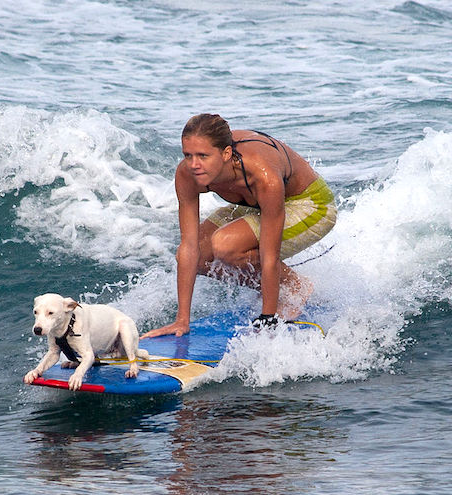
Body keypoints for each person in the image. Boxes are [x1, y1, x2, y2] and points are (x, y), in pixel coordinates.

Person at [141, 114, 336, 339]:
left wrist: (268, 318)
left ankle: (294, 286)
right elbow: (188, 248)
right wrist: (181, 320)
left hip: (309, 206)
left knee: (225, 244)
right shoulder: (188, 174)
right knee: (200, 257)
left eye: (203, 156)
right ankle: (279, 287)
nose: (194, 165)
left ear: (225, 153)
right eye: (188, 155)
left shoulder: (262, 175)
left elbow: (269, 255)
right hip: (255, 204)